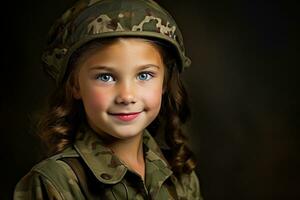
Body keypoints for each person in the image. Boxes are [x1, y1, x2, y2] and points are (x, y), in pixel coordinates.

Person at [14, 0, 203, 199]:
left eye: (144, 75)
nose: (127, 96)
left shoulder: (181, 177)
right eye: (106, 77)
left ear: (164, 82)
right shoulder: (53, 183)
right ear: (75, 85)